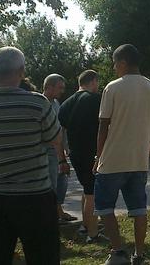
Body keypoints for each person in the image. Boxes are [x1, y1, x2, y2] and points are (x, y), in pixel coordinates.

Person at [0, 47, 63, 264]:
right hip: (34, 195)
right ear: (21, 72)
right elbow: (55, 140)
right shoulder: (38, 103)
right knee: (43, 258)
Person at [94, 44, 150, 265]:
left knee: (105, 207)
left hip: (112, 160)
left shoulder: (112, 88)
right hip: (139, 160)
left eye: (115, 63)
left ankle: (118, 250)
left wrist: (98, 157)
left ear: (122, 62)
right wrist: (147, 153)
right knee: (139, 208)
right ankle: (139, 254)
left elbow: (103, 127)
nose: (114, 68)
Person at [58, 69, 105, 243]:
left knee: (87, 189)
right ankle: (92, 234)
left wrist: (63, 153)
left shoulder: (66, 104)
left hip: (75, 153)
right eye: (97, 83)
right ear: (92, 81)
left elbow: (59, 131)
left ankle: (86, 225)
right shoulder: (95, 100)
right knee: (93, 193)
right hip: (91, 154)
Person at [42, 74, 76, 223]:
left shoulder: (56, 104)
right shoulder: (40, 103)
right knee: (51, 184)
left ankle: (58, 210)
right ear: (49, 87)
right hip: (47, 151)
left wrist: (65, 147)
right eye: (59, 87)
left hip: (58, 151)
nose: (62, 91)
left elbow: (61, 129)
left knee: (62, 180)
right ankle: (53, 214)